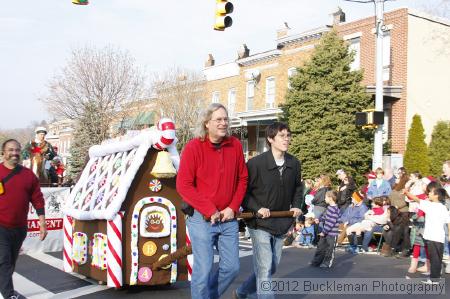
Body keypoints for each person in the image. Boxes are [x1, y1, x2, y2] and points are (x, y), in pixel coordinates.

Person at [176, 103, 248, 299]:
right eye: (219, 119)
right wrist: (209, 210)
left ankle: (208, 296)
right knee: (204, 269)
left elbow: (242, 179)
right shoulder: (193, 147)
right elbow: (183, 185)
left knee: (232, 267)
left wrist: (233, 207)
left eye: (226, 119)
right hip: (201, 218)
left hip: (228, 218)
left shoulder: (235, 145)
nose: (224, 123)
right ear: (207, 123)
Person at [234, 122, 302, 299]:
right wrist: (257, 208)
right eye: (282, 136)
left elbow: (297, 188)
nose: (286, 139)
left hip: (281, 221)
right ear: (271, 139)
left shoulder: (294, 163)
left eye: (288, 135)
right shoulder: (255, 164)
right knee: (264, 266)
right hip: (259, 223)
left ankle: (242, 292)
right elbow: (244, 193)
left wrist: (296, 205)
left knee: (271, 266)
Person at [0, 139, 48, 299]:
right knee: (4, 261)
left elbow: (38, 199)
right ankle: (8, 295)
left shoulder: (28, 176)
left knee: (10, 262)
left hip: (19, 228)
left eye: (17, 150)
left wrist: (42, 223)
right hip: (0, 227)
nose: (14, 153)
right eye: (10, 150)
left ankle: (4, 287)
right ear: (3, 152)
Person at [405, 185, 450, 284]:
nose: (428, 194)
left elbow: (416, 199)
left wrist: (407, 192)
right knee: (437, 259)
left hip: (432, 237)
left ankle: (434, 279)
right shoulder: (443, 208)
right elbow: (448, 222)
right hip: (440, 237)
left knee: (434, 259)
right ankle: (435, 278)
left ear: (436, 195)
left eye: (431, 192)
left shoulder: (429, 205)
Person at [310, 190, 340, 268]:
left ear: (330, 198)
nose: (324, 199)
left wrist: (324, 231)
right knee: (320, 247)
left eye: (326, 197)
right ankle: (316, 261)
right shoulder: (329, 208)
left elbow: (331, 222)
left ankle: (327, 263)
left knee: (329, 250)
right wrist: (319, 220)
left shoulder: (335, 209)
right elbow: (325, 217)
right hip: (325, 232)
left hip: (331, 234)